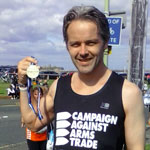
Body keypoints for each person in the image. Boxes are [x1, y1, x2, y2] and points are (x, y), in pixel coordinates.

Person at [17, 6, 145, 150]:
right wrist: (23, 85)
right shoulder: (59, 86)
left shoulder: (128, 93)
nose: (83, 52)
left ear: (105, 43)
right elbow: (32, 123)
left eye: (91, 43)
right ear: (67, 47)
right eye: (75, 44)